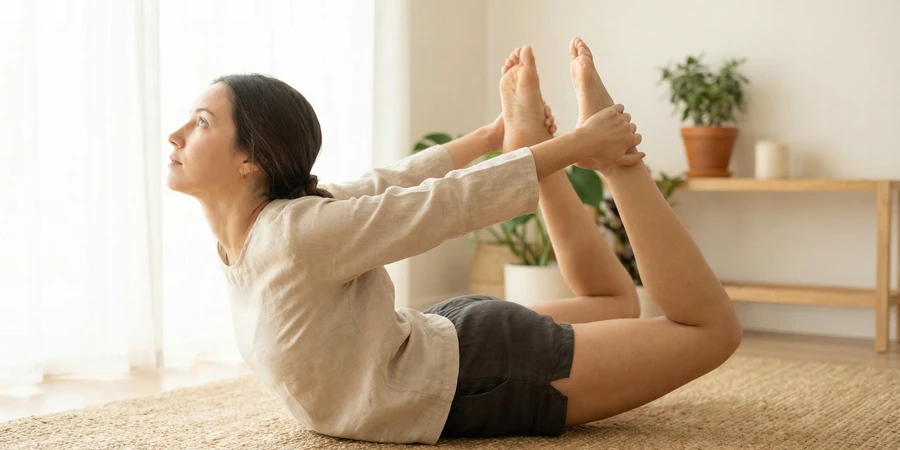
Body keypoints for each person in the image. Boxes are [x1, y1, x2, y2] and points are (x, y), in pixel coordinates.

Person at [166, 37, 742, 445]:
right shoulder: (270, 232)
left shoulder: (295, 234)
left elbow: (436, 201)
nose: (176, 134)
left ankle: (615, 162)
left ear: (250, 160)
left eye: (201, 122)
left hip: (475, 372)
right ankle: (547, 143)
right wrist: (494, 137)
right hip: (444, 344)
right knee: (614, 304)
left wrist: (577, 145)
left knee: (711, 333)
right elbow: (389, 184)